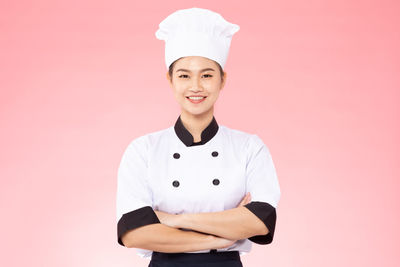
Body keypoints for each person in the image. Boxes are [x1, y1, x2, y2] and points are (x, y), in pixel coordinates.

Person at [116, 7, 281, 267]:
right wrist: (217, 239)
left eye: (206, 75)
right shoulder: (143, 150)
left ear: (222, 80)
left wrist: (174, 220)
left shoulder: (249, 148)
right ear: (170, 80)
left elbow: (260, 221)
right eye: (184, 75)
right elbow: (133, 232)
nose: (195, 86)